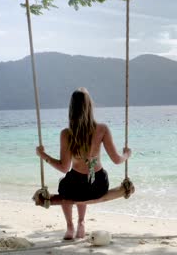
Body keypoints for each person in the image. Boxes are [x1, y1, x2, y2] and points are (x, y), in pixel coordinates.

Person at [36, 87, 131, 240]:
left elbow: (63, 167)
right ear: (90, 107)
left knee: (68, 185)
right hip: (97, 185)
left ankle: (70, 226)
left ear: (71, 109)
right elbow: (117, 160)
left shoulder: (66, 134)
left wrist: (43, 155)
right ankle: (81, 223)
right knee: (84, 180)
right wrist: (127, 154)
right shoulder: (102, 129)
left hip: (76, 186)